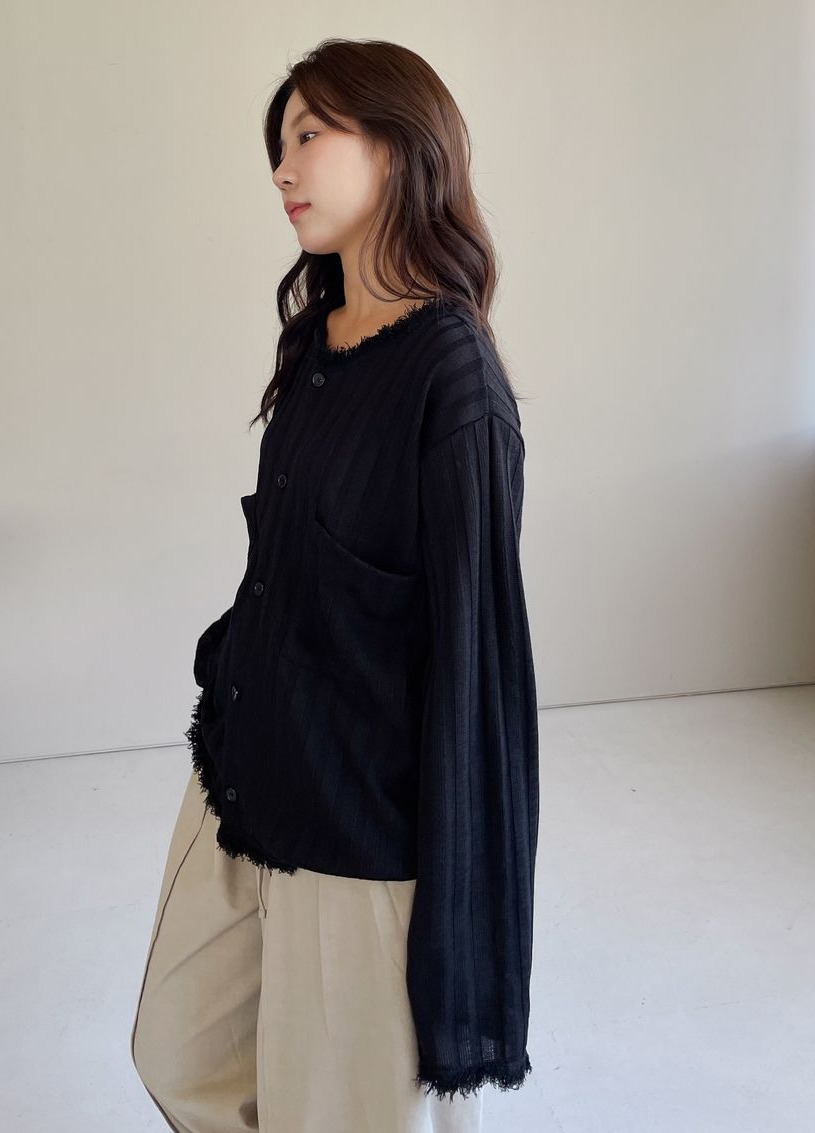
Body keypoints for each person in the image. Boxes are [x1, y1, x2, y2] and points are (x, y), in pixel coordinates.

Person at [130, 36, 540, 1133]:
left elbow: (478, 673)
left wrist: (458, 920)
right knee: (178, 1050)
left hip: (360, 835)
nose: (282, 167)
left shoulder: (454, 384)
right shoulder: (317, 338)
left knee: (347, 1114)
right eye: (279, 142)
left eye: (310, 134)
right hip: (245, 771)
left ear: (400, 146)